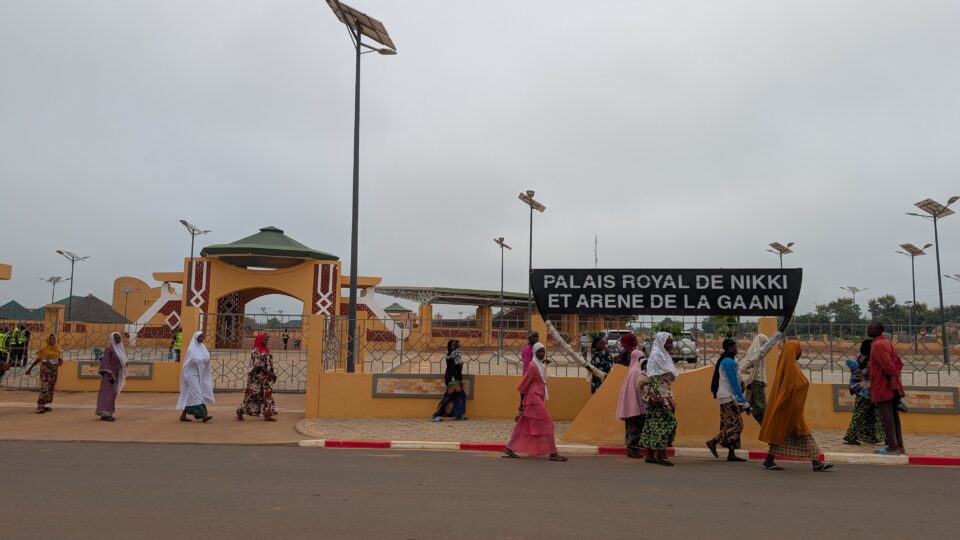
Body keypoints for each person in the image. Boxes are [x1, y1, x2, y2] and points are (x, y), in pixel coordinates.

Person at [758, 341, 833, 471]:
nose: (800, 353)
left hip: (790, 408)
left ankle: (815, 462)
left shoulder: (786, 366)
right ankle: (815, 463)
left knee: (791, 434)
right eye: (799, 350)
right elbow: (792, 387)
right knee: (796, 433)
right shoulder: (791, 368)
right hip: (789, 408)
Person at [503, 343, 567, 462]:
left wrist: (544, 363)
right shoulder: (532, 366)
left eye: (543, 351)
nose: (541, 354)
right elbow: (524, 384)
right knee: (548, 423)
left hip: (536, 397)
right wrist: (521, 404)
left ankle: (509, 448)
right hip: (533, 399)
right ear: (534, 352)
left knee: (524, 425)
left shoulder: (538, 364)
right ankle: (553, 453)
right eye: (539, 352)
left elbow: (540, 373)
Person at [638, 332, 678, 466]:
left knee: (654, 423)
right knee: (668, 422)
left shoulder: (665, 356)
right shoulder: (656, 356)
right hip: (658, 394)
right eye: (667, 342)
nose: (670, 345)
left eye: (671, 342)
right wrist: (658, 396)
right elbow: (654, 376)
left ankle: (650, 454)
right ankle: (661, 454)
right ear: (661, 343)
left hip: (664, 391)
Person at [706, 338, 749, 462]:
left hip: (725, 396)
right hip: (729, 397)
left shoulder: (726, 360)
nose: (736, 349)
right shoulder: (729, 362)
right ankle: (713, 441)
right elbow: (734, 384)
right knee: (737, 425)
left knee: (728, 424)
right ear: (729, 348)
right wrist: (744, 403)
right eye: (735, 347)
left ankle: (731, 453)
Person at [868, 322, 906, 455]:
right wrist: (896, 382)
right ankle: (899, 445)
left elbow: (888, 366)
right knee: (894, 416)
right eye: (869, 328)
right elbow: (898, 363)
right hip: (890, 385)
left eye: (872, 328)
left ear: (880, 330)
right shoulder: (887, 343)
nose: (869, 330)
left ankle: (893, 446)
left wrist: (892, 382)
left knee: (887, 417)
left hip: (883, 385)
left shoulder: (878, 345)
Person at [842, 339, 885, 445]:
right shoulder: (870, 360)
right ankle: (850, 436)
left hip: (862, 391)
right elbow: (870, 375)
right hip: (867, 392)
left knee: (869, 415)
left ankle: (872, 437)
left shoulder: (861, 357)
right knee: (866, 415)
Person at [236, 333, 278, 421]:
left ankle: (268, 415)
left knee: (267, 394)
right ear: (259, 340)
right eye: (264, 340)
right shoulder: (256, 351)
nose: (266, 341)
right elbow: (258, 365)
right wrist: (270, 373)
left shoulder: (267, 350)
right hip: (256, 378)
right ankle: (240, 411)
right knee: (252, 395)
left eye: (267, 340)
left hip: (266, 378)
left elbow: (270, 363)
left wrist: (272, 373)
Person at [177, 332, 215, 423]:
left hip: (198, 374)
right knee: (197, 393)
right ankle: (204, 416)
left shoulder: (203, 347)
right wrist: (203, 359)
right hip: (190, 374)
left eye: (202, 337)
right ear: (196, 338)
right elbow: (194, 359)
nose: (201, 338)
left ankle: (183, 416)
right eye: (200, 337)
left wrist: (205, 359)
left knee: (191, 395)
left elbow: (207, 357)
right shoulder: (191, 349)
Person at [616, 349, 646, 458]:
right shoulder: (636, 371)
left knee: (631, 427)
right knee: (635, 428)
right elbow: (638, 389)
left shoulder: (632, 369)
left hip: (631, 404)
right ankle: (632, 449)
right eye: (640, 358)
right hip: (635, 405)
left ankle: (632, 449)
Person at [25, 334, 63, 414]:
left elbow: (58, 359)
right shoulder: (44, 349)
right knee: (44, 388)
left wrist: (60, 362)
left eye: (54, 339)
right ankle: (39, 406)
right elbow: (38, 359)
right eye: (50, 339)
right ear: (47, 340)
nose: (52, 340)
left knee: (51, 388)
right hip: (45, 371)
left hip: (54, 371)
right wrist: (30, 369)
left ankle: (44, 405)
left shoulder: (57, 349)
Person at [96, 332, 128, 422]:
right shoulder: (109, 348)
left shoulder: (120, 348)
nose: (118, 340)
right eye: (116, 338)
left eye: (119, 338)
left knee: (112, 394)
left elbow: (121, 360)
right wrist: (110, 375)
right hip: (109, 375)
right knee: (108, 394)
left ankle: (105, 413)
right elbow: (105, 362)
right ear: (113, 339)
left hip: (116, 374)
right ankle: (106, 414)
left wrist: (125, 364)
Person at [433, 340, 467, 421]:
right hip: (453, 379)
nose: (458, 346)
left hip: (457, 379)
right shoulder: (452, 355)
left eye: (458, 344)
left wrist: (459, 380)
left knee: (460, 396)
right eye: (456, 345)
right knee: (448, 396)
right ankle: (437, 415)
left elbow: (458, 368)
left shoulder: (455, 354)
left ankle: (458, 414)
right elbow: (452, 369)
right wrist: (454, 382)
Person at [516, 331, 540, 420]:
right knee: (525, 394)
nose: (536, 339)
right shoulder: (527, 349)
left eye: (537, 337)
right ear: (529, 338)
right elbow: (527, 364)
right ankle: (521, 413)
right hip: (528, 374)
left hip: (534, 375)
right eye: (534, 337)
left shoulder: (535, 348)